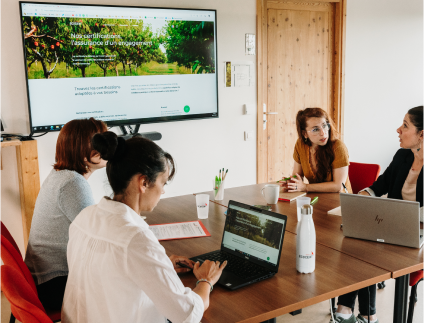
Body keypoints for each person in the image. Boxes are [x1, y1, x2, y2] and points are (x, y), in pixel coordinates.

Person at [61, 132, 227, 323]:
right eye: (162, 183)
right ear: (144, 182)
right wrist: (206, 281)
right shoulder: (136, 239)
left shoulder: (84, 218)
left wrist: (160, 266)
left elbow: (110, 273)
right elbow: (186, 315)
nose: (163, 190)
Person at [335, 106, 424, 323]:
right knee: (359, 245)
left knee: (369, 252)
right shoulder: (403, 156)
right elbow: (380, 184)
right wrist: (364, 196)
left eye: (405, 125)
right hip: (395, 229)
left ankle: (353, 311)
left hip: (420, 237)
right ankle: (361, 314)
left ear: (422, 134)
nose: (398, 130)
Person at [24, 118, 107, 311]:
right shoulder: (72, 184)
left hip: (43, 276)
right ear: (92, 154)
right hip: (53, 284)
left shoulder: (62, 175)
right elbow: (100, 238)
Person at [280, 107, 352, 193]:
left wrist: (305, 187)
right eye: (316, 129)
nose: (323, 133)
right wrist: (292, 182)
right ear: (305, 133)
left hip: (340, 200)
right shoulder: (300, 144)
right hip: (315, 197)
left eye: (324, 126)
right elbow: (297, 174)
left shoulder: (338, 147)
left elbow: (338, 186)